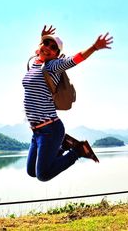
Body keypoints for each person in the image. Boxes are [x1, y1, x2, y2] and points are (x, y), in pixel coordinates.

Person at [22, 25, 113, 182]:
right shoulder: (34, 63)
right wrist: (42, 38)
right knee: (32, 172)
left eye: (53, 48)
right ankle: (64, 146)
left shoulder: (53, 66)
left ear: (57, 54)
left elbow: (75, 59)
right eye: (46, 44)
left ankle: (78, 150)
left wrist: (94, 47)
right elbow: (41, 51)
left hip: (50, 129)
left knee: (43, 175)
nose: (48, 48)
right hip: (36, 131)